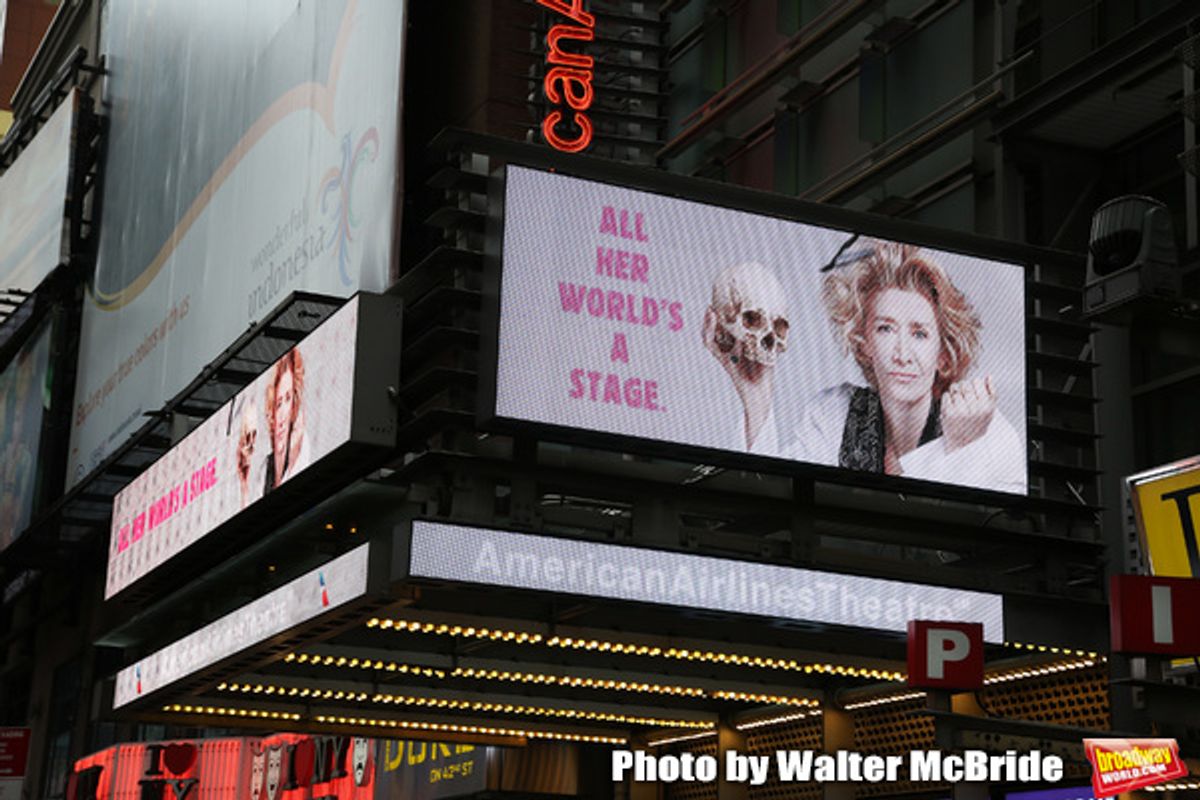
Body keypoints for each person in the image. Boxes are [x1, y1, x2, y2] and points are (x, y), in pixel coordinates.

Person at [790, 241, 1024, 493]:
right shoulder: (831, 415)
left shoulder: (988, 432)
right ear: (864, 343)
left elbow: (1005, 525)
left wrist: (960, 450)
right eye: (885, 329)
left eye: (919, 334)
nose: (902, 354)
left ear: (943, 353)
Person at [263, 349, 310, 493]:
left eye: (288, 398)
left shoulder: (301, 449)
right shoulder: (265, 468)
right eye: (278, 404)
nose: (282, 414)